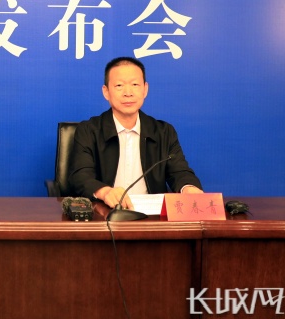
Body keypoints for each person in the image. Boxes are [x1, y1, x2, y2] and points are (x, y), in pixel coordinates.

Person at [68, 57, 203, 210]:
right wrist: (105, 192)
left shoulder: (163, 132)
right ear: (106, 92)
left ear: (145, 89)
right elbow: (81, 176)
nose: (128, 93)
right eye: (119, 85)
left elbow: (179, 172)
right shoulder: (89, 130)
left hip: (152, 216)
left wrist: (188, 188)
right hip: (105, 212)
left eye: (135, 85)